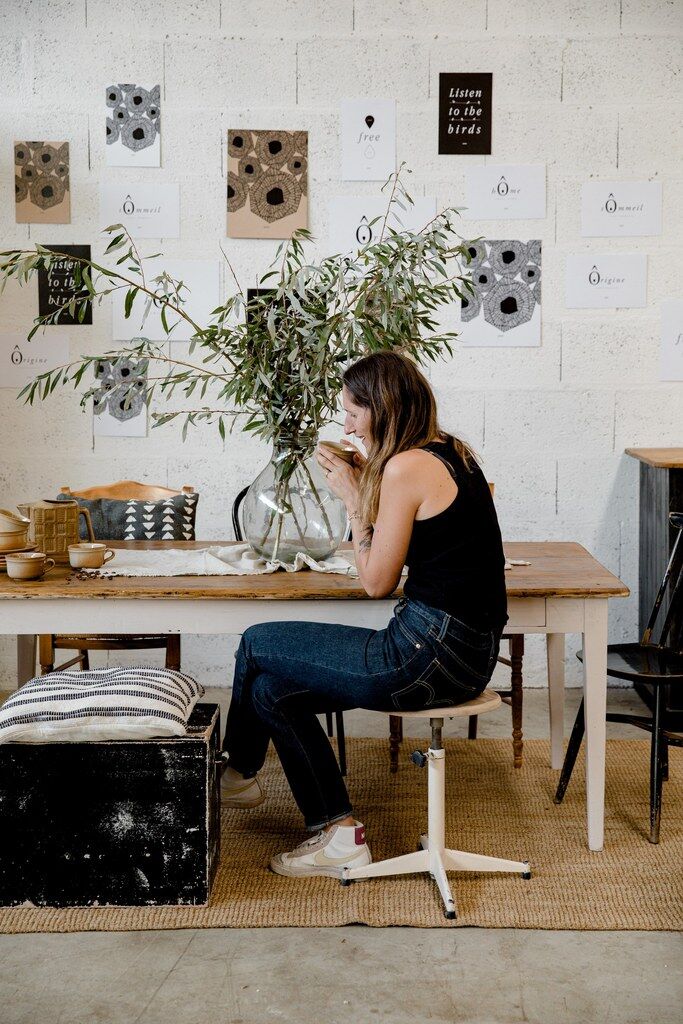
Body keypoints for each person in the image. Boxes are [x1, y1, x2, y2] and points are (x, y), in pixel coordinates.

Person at [220, 351, 508, 879]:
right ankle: (339, 835)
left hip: (425, 656)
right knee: (269, 693)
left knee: (257, 641)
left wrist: (354, 499)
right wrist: (365, 474)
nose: (346, 425)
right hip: (464, 654)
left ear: (382, 408)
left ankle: (236, 772)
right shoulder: (448, 452)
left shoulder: (405, 466)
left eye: (353, 413)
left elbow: (376, 582)